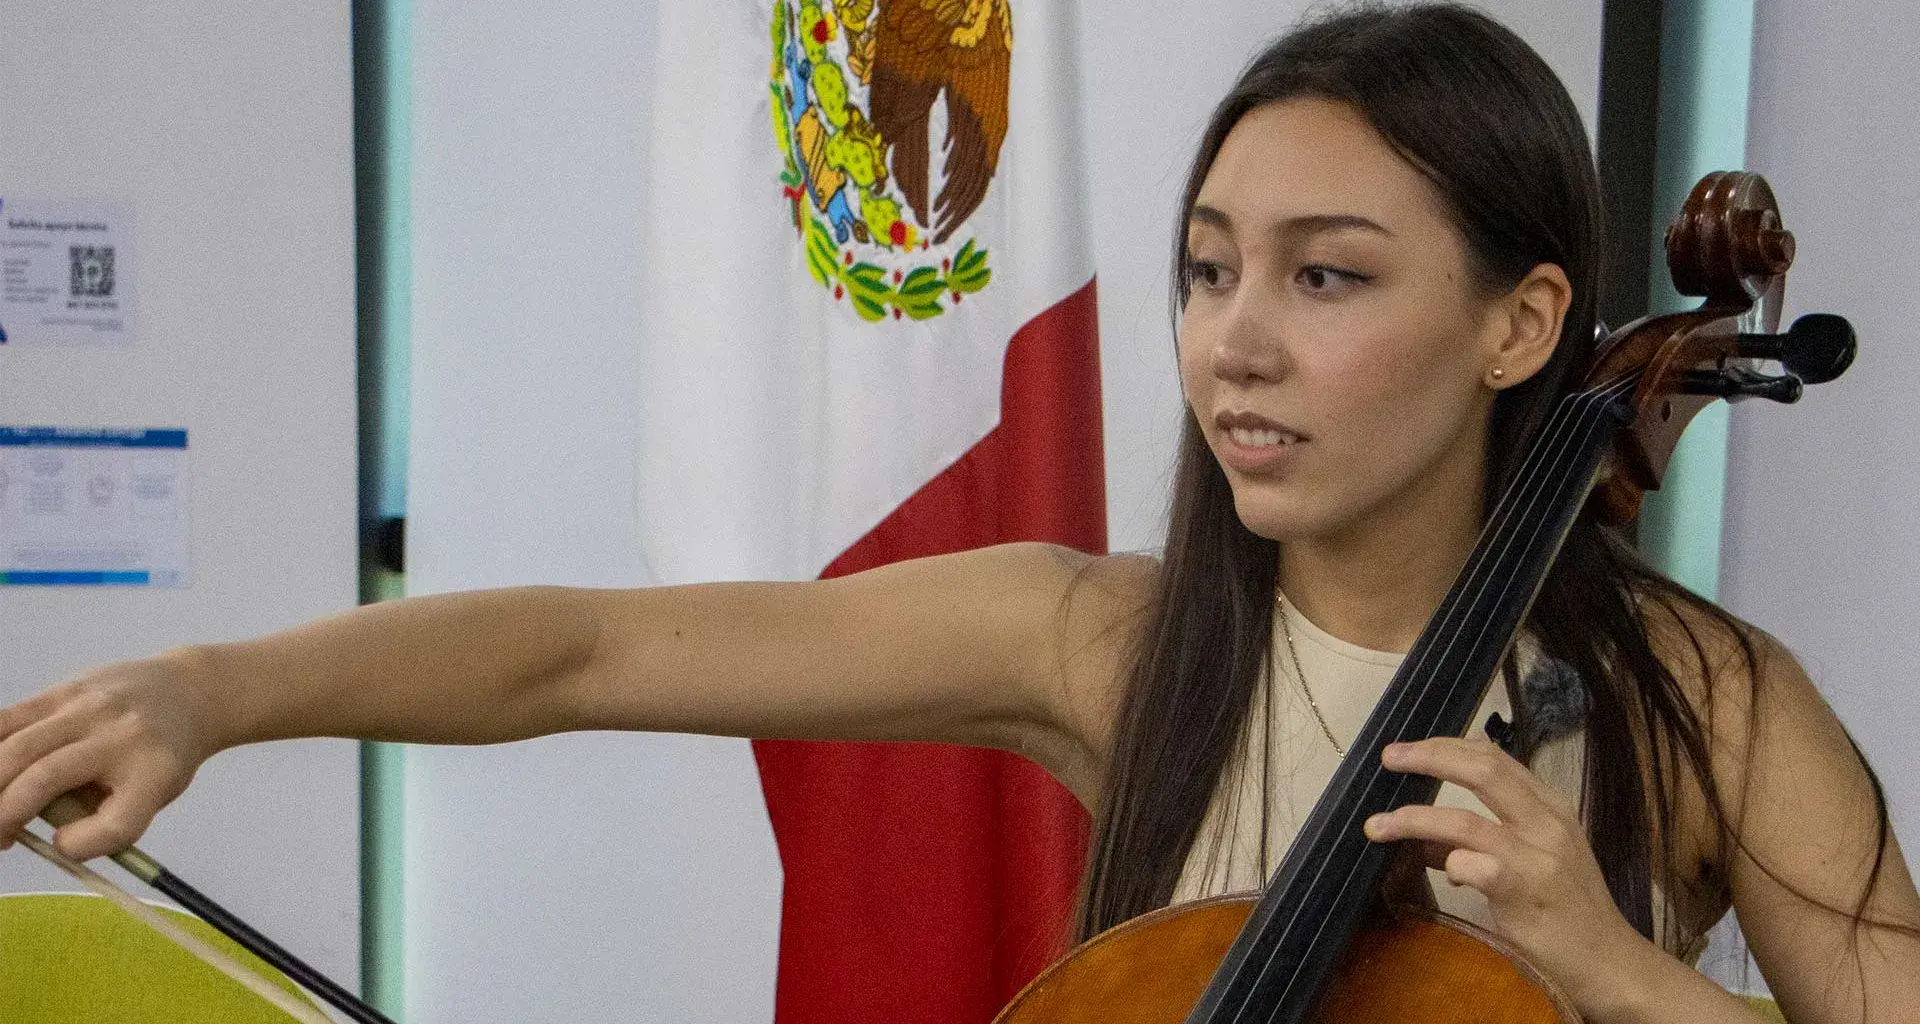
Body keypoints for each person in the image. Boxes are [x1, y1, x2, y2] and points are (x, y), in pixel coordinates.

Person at [2, 4, 1916, 1021]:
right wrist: (209, 687)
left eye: (1327, 279)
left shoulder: (1709, 701)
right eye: (1205, 269)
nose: (1232, 345)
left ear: (1522, 326)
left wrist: (1614, 975)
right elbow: (583, 649)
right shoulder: (1111, 636)